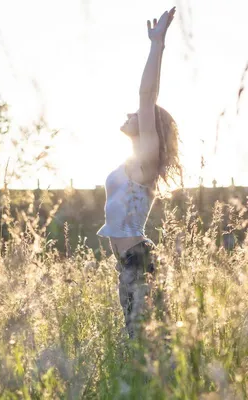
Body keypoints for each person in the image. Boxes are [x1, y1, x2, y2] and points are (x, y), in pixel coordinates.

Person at [97, 6, 183, 339]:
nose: (131, 114)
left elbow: (147, 96)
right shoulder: (131, 163)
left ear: (149, 128)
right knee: (141, 344)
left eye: (137, 115)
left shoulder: (146, 161)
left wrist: (156, 44)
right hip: (129, 264)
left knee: (144, 345)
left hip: (139, 261)